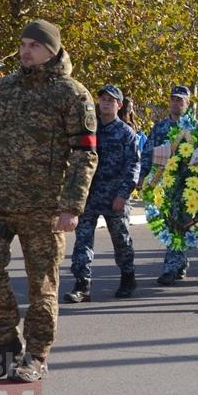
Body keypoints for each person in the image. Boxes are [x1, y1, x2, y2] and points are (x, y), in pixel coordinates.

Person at [0, 19, 98, 382]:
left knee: (42, 286)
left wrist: (71, 206)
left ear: (51, 49)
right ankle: (6, 344)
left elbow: (85, 154)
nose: (24, 51)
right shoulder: (4, 91)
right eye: (21, 45)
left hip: (45, 208)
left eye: (32, 45)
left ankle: (36, 354)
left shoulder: (72, 94)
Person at [65, 85, 140, 303]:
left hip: (115, 196)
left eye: (111, 100)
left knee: (121, 240)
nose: (105, 103)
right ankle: (82, 284)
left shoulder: (126, 133)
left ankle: (128, 277)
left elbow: (133, 166)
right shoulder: (90, 130)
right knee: (83, 240)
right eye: (103, 99)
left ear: (119, 105)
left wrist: (123, 194)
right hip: (89, 195)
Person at [141, 85, 198, 285]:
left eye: (180, 100)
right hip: (165, 185)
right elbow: (148, 153)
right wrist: (143, 177)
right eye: (173, 99)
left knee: (180, 225)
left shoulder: (197, 128)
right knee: (173, 225)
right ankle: (179, 262)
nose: (176, 103)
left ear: (188, 103)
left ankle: (170, 267)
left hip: (190, 187)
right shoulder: (160, 128)